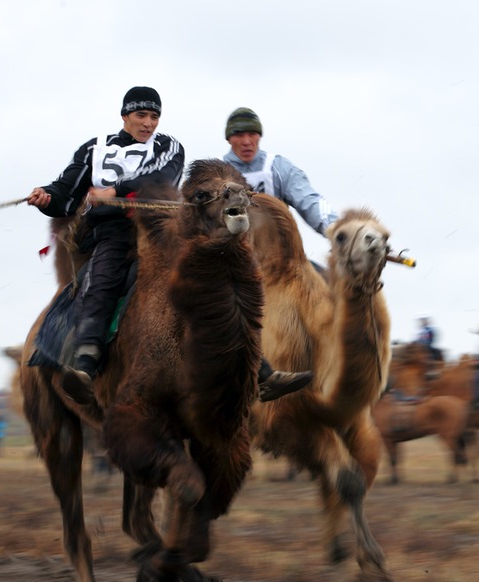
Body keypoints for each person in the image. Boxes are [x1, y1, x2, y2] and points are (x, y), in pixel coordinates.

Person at [29, 88, 310, 404]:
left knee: (212, 281)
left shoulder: (167, 146)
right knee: (101, 283)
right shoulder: (93, 149)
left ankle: (262, 372)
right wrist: (47, 197)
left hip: (161, 229)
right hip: (112, 232)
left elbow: (160, 178)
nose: (148, 123)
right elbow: (67, 190)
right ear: (125, 116)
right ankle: (84, 366)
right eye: (141, 115)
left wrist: (114, 190)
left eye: (154, 116)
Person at [222, 107, 338, 236]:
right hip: (230, 251)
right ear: (229, 139)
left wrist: (335, 227)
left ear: (259, 136)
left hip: (276, 248)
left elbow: (307, 198)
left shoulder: (278, 167)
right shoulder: (216, 174)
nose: (246, 142)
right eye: (239, 135)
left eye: (252, 134)